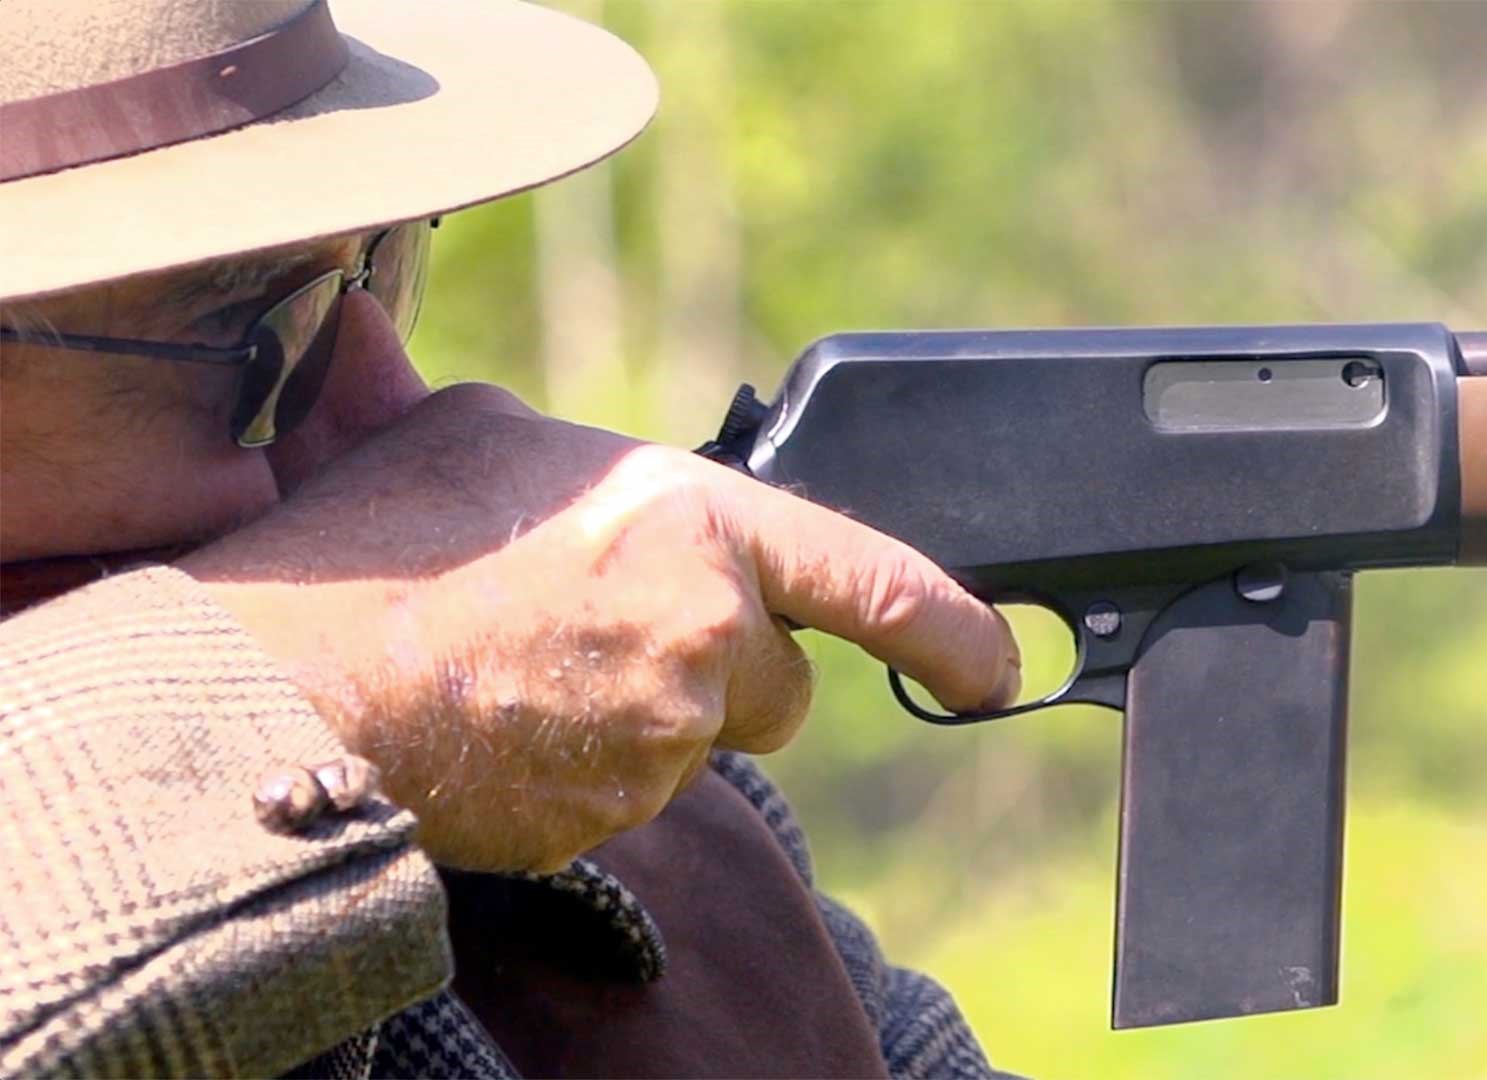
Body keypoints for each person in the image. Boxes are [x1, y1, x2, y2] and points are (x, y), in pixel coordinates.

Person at [0, 1, 1020, 1077]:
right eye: (248, 327)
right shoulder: (419, 737)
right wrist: (348, 691)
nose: (402, 409)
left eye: (379, 266)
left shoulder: (597, 818)